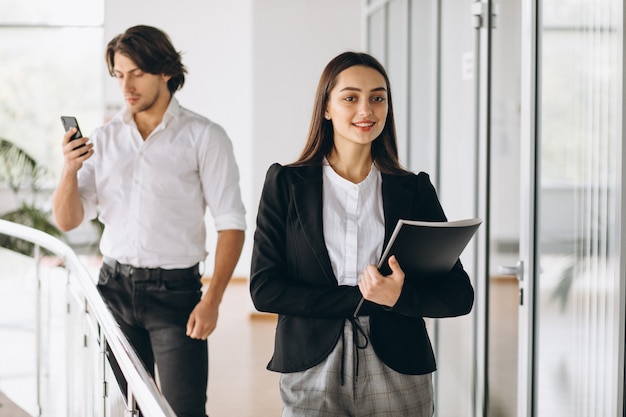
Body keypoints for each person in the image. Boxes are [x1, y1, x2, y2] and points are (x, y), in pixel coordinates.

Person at [249, 51, 474, 417]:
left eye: (377, 98)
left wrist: (399, 296)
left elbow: (458, 296)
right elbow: (264, 290)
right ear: (326, 108)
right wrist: (368, 299)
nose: (366, 110)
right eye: (351, 97)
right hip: (310, 363)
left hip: (400, 364)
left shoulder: (414, 190)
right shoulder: (286, 184)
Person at [51, 25, 246, 417]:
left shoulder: (204, 137)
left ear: (166, 73)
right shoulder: (104, 139)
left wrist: (213, 301)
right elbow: (68, 221)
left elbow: (232, 224)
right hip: (114, 290)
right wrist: (70, 170)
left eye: (137, 72)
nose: (127, 85)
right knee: (132, 407)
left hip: (175, 294)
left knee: (185, 410)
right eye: (120, 75)